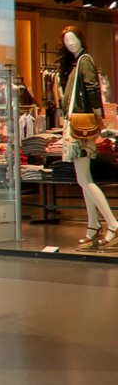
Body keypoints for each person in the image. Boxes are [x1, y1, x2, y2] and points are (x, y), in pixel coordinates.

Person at [57, 26, 118, 252]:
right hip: (78, 126)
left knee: (84, 179)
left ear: (81, 39)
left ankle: (113, 224)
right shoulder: (77, 63)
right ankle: (93, 227)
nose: (70, 43)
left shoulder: (84, 61)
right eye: (66, 40)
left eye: (73, 38)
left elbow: (93, 89)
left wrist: (99, 118)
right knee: (84, 178)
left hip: (81, 128)